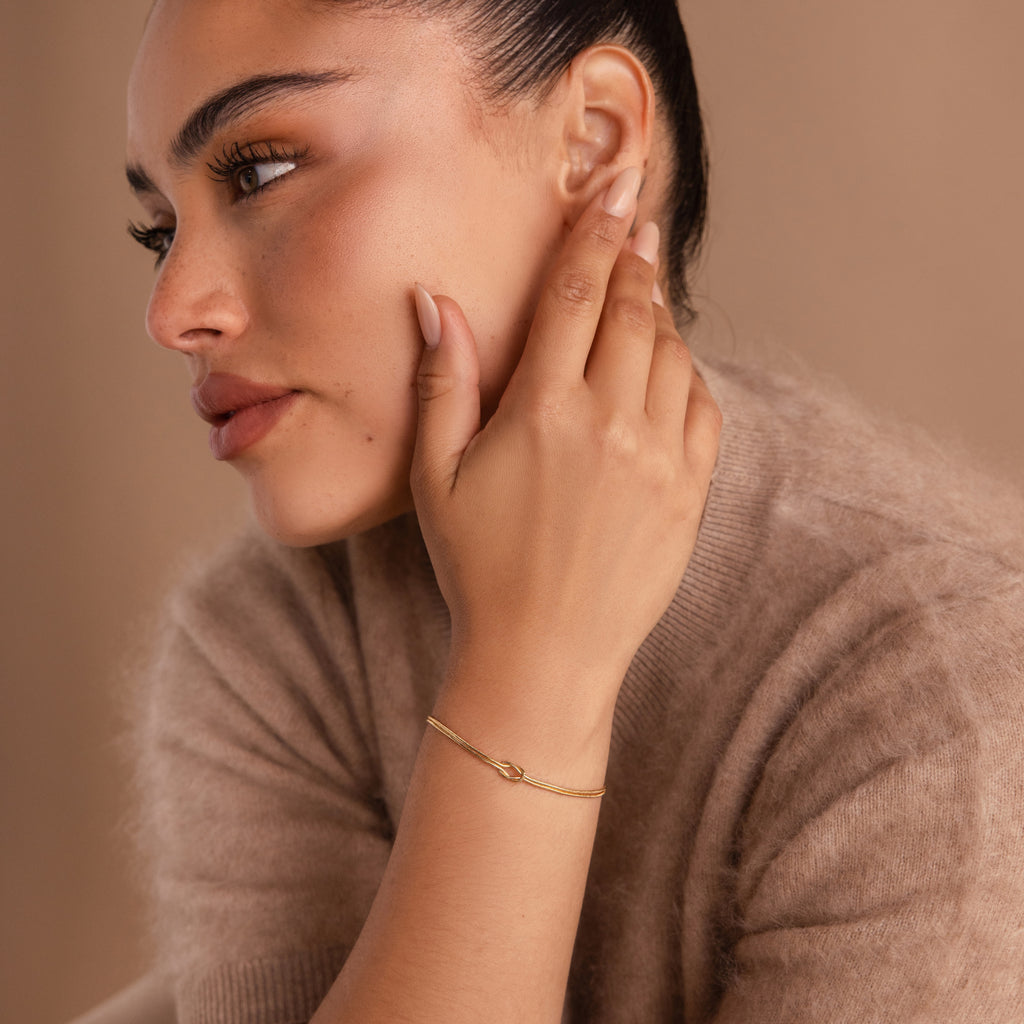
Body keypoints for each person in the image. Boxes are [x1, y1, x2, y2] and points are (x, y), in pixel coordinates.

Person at [123, 1, 1024, 1022]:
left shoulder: (941, 707)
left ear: (592, 143)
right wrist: (527, 672)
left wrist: (529, 672)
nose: (172, 311)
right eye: (160, 232)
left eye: (261, 171)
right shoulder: (274, 643)